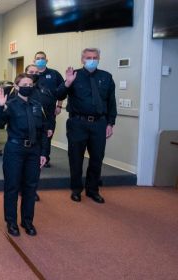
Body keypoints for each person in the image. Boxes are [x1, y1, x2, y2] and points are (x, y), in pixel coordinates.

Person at [0, 73, 49, 237]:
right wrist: (0, 107)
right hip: (15, 150)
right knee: (12, 187)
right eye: (24, 84)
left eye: (30, 85)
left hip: (34, 151)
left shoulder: (37, 105)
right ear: (16, 87)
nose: (28, 87)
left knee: (30, 187)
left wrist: (44, 152)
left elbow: (44, 131)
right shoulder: (10, 104)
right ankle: (11, 222)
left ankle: (27, 221)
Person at [57, 48, 117, 204]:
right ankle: (76, 190)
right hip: (77, 123)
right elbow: (59, 95)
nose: (92, 60)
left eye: (95, 57)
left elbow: (111, 102)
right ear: (82, 59)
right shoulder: (74, 75)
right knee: (76, 158)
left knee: (97, 158)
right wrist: (67, 82)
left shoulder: (106, 77)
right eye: (88, 57)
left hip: (99, 124)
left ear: (99, 59)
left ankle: (93, 190)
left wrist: (110, 123)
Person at [25, 64, 56, 202]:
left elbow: (48, 112)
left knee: (35, 166)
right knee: (20, 165)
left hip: (38, 134)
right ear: (25, 73)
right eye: (31, 72)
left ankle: (32, 190)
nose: (34, 74)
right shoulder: (16, 90)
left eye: (36, 72)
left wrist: (49, 127)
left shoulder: (44, 91)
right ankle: (22, 188)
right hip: (20, 134)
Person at [32, 51, 65, 168]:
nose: (40, 60)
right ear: (34, 61)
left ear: (46, 60)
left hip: (49, 112)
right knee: (34, 134)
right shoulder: (31, 75)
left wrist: (59, 106)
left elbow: (62, 90)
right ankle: (33, 158)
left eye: (42, 58)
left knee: (47, 134)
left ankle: (45, 158)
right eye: (38, 58)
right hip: (33, 112)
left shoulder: (54, 74)